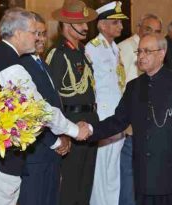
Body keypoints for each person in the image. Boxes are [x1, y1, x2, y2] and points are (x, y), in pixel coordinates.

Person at [0, 7, 90, 205]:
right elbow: (39, 109)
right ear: (18, 33)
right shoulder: (9, 64)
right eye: (34, 33)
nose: (38, 38)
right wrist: (75, 130)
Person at [87, 34, 172, 205]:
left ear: (162, 53)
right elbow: (117, 121)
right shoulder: (134, 87)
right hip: (144, 172)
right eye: (139, 51)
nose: (141, 56)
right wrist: (89, 130)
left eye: (147, 51)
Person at [45, 1, 98, 204]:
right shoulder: (58, 54)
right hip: (71, 123)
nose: (86, 27)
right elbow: (52, 97)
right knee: (69, 186)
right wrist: (62, 132)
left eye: (86, 22)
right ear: (67, 24)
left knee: (85, 185)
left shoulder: (82, 51)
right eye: (80, 23)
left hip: (89, 121)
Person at [18, 12, 69, 205]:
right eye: (36, 33)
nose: (40, 39)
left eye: (44, 33)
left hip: (51, 153)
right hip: (36, 153)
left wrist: (64, 135)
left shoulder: (42, 63)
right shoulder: (21, 65)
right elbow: (31, 111)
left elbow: (53, 105)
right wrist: (55, 140)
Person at [84, 2, 128, 205]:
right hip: (102, 117)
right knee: (100, 169)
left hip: (117, 116)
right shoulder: (91, 49)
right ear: (102, 25)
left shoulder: (115, 49)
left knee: (113, 168)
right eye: (116, 22)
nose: (120, 26)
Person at [118, 13, 162, 205]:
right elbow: (122, 84)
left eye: (157, 31)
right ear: (138, 28)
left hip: (151, 121)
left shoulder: (157, 48)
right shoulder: (125, 48)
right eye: (148, 29)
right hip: (130, 120)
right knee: (129, 173)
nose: (152, 34)